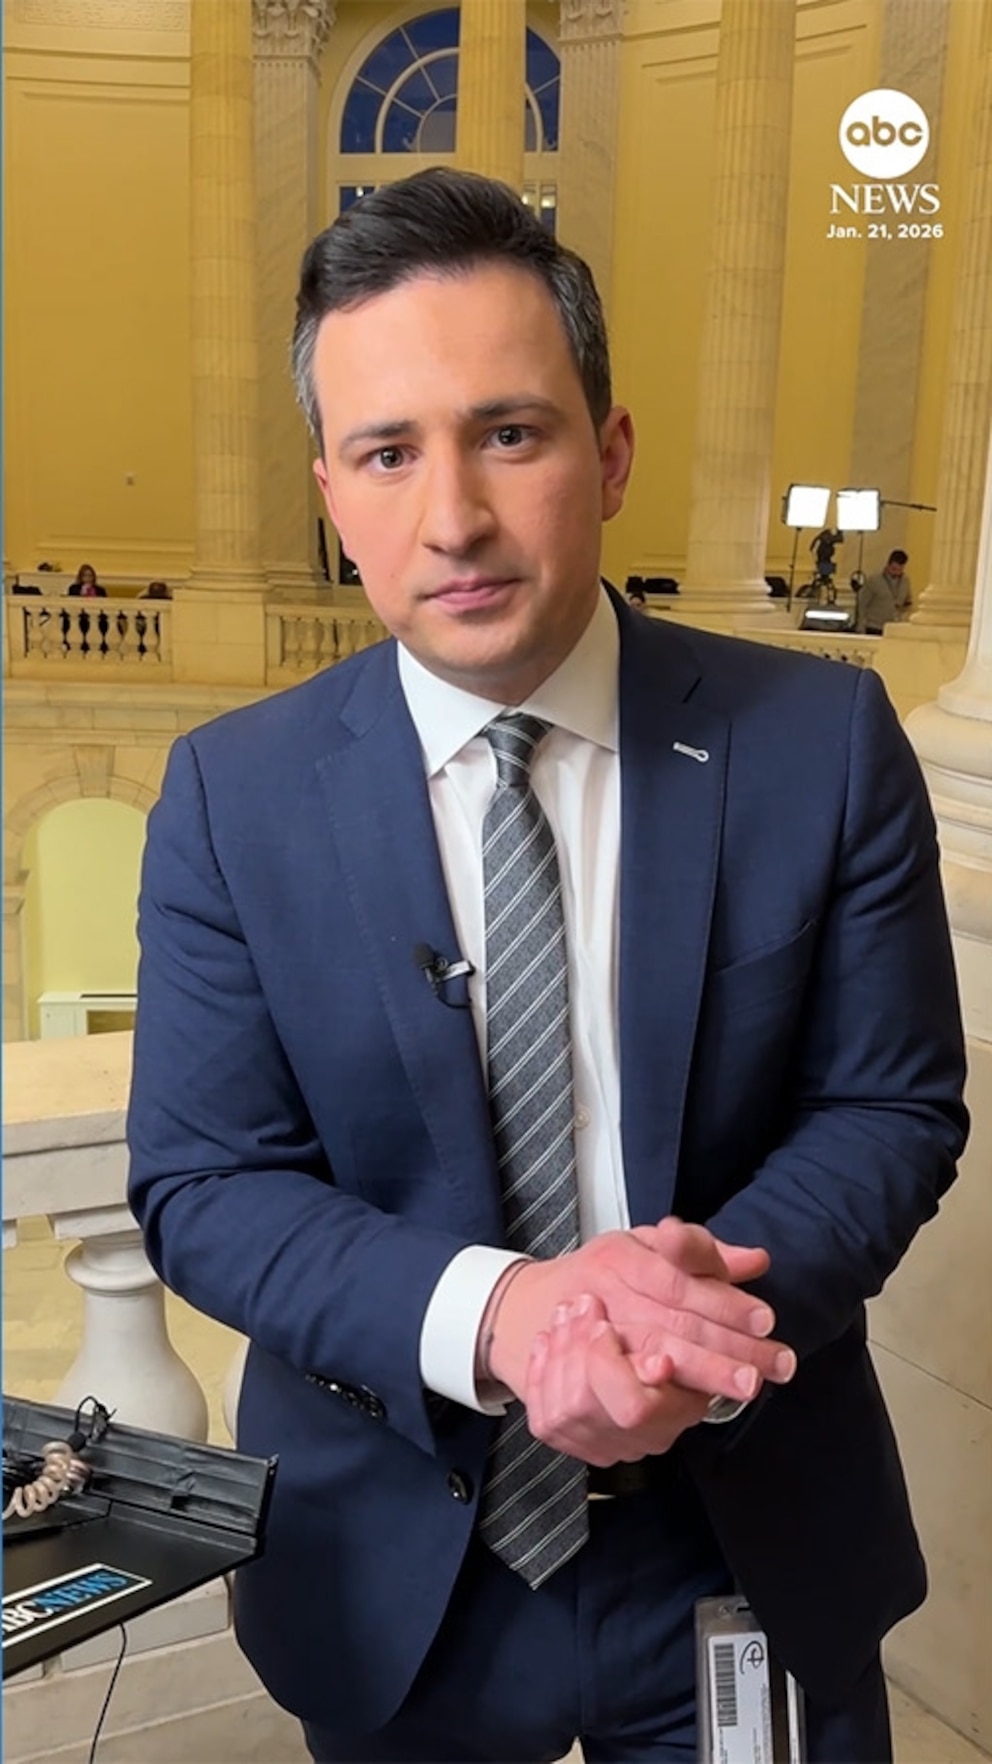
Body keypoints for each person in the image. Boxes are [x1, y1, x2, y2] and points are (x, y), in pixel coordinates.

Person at [127, 169, 967, 1764]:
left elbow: (890, 1107)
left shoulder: (824, 743)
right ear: (331, 491)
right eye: (389, 453)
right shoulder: (233, 798)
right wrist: (509, 1317)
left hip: (742, 1537)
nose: (452, 517)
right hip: (397, 1571)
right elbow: (205, 1180)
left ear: (613, 451)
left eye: (509, 433)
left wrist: (677, 1334)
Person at [857, 549, 912, 634]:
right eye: (894, 569)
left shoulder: (905, 581)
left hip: (893, 627)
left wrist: (903, 614)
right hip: (874, 626)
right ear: (888, 565)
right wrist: (861, 625)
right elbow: (862, 603)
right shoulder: (874, 580)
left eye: (900, 570)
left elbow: (908, 601)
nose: (897, 573)